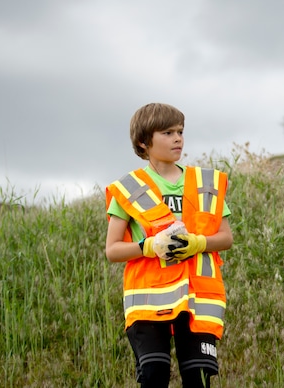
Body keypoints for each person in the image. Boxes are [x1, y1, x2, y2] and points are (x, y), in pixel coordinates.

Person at [105, 102, 233, 387]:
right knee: (153, 376)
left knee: (198, 379)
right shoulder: (129, 188)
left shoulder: (205, 182)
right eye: (167, 132)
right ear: (144, 142)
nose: (178, 138)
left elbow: (226, 238)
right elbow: (112, 250)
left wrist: (199, 242)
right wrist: (149, 246)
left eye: (180, 131)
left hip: (197, 298)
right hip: (148, 301)